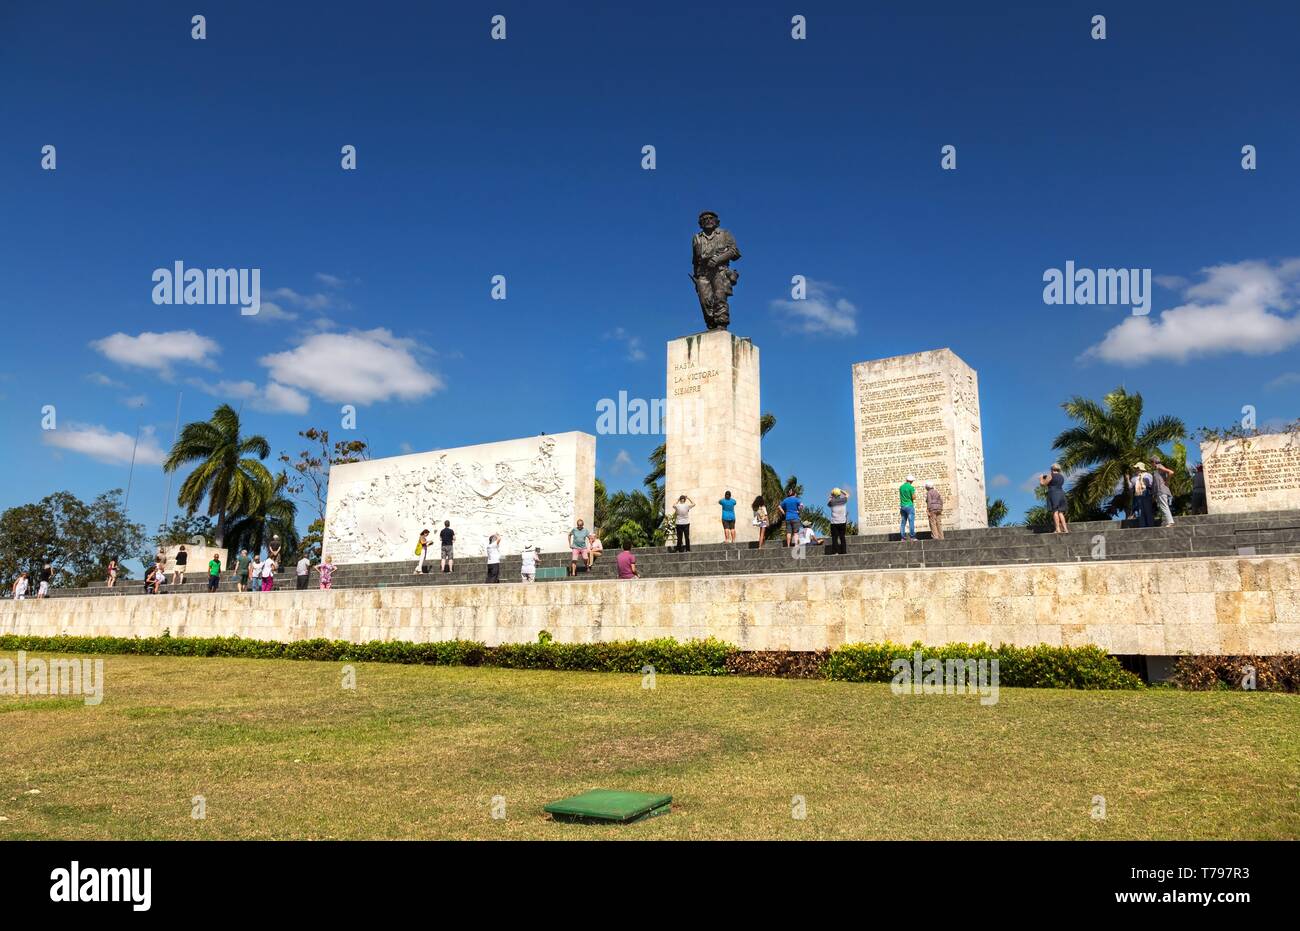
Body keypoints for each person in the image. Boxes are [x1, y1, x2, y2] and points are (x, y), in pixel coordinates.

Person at [1040, 464, 1068, 534]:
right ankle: (1065, 529)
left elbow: (1043, 484)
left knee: (1055, 511)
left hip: (1053, 493)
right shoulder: (1061, 477)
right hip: (1061, 493)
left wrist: (1041, 478)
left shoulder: (1050, 475)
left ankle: (1058, 529)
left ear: (1052, 469)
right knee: (1061, 512)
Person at [1151, 455, 1176, 527]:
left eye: (1151, 462)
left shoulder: (1159, 466)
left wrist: (1167, 481)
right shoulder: (1157, 468)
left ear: (1154, 462)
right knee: (1163, 506)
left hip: (1162, 490)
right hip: (1160, 490)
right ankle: (1170, 521)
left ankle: (1170, 522)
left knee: (1164, 506)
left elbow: (1171, 472)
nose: (1151, 464)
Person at [827, 488, 850, 555]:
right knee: (842, 537)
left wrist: (831, 495)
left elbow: (828, 503)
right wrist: (841, 490)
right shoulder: (843, 500)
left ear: (833, 494)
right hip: (842, 521)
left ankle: (835, 552)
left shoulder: (832, 502)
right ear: (839, 494)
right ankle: (844, 551)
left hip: (834, 522)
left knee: (835, 538)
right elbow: (847, 494)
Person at [1131, 462, 1155, 528]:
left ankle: (1150, 525)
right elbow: (1132, 484)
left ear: (1141, 468)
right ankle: (1142, 525)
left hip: (1146, 492)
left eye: (1137, 468)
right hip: (1138, 494)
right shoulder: (1135, 477)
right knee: (1140, 511)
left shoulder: (1147, 475)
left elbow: (1150, 484)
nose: (1136, 469)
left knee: (1148, 510)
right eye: (1135, 468)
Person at [898, 475, 917, 542]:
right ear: (911, 481)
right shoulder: (911, 487)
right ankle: (912, 537)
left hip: (902, 506)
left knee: (903, 522)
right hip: (909, 506)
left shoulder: (901, 487)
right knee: (911, 521)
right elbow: (914, 497)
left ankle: (903, 538)